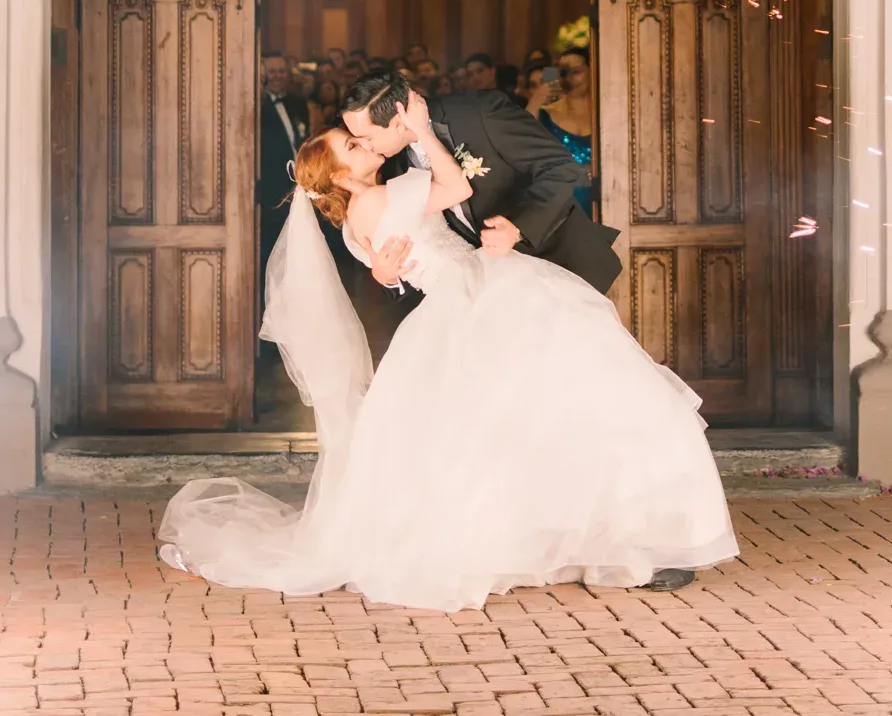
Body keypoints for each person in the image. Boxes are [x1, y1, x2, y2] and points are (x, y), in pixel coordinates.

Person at [157, 93, 734, 610]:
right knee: (563, 402)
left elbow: (386, 269)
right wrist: (427, 132)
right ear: (338, 174)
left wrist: (384, 278)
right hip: (485, 292)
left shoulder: (355, 222)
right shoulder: (387, 195)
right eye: (352, 146)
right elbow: (456, 190)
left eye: (359, 137)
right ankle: (598, 530)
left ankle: (541, 534)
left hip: (450, 307)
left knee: (493, 428)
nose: (364, 146)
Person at [344, 69, 618, 292]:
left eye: (367, 137)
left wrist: (518, 228)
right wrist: (386, 278)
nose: (365, 147)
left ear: (398, 121)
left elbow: (561, 168)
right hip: (492, 295)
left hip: (560, 266)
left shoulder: (480, 113)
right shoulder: (393, 168)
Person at [257, 52, 310, 270]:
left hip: (296, 185)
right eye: (272, 72)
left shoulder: (297, 103)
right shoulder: (257, 104)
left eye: (281, 71)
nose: (277, 76)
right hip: (269, 187)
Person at [526, 46, 594, 213]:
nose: (569, 79)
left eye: (575, 72)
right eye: (562, 73)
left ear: (592, 71)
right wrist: (537, 99)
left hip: (604, 205)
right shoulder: (545, 115)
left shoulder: (607, 114)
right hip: (559, 210)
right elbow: (519, 143)